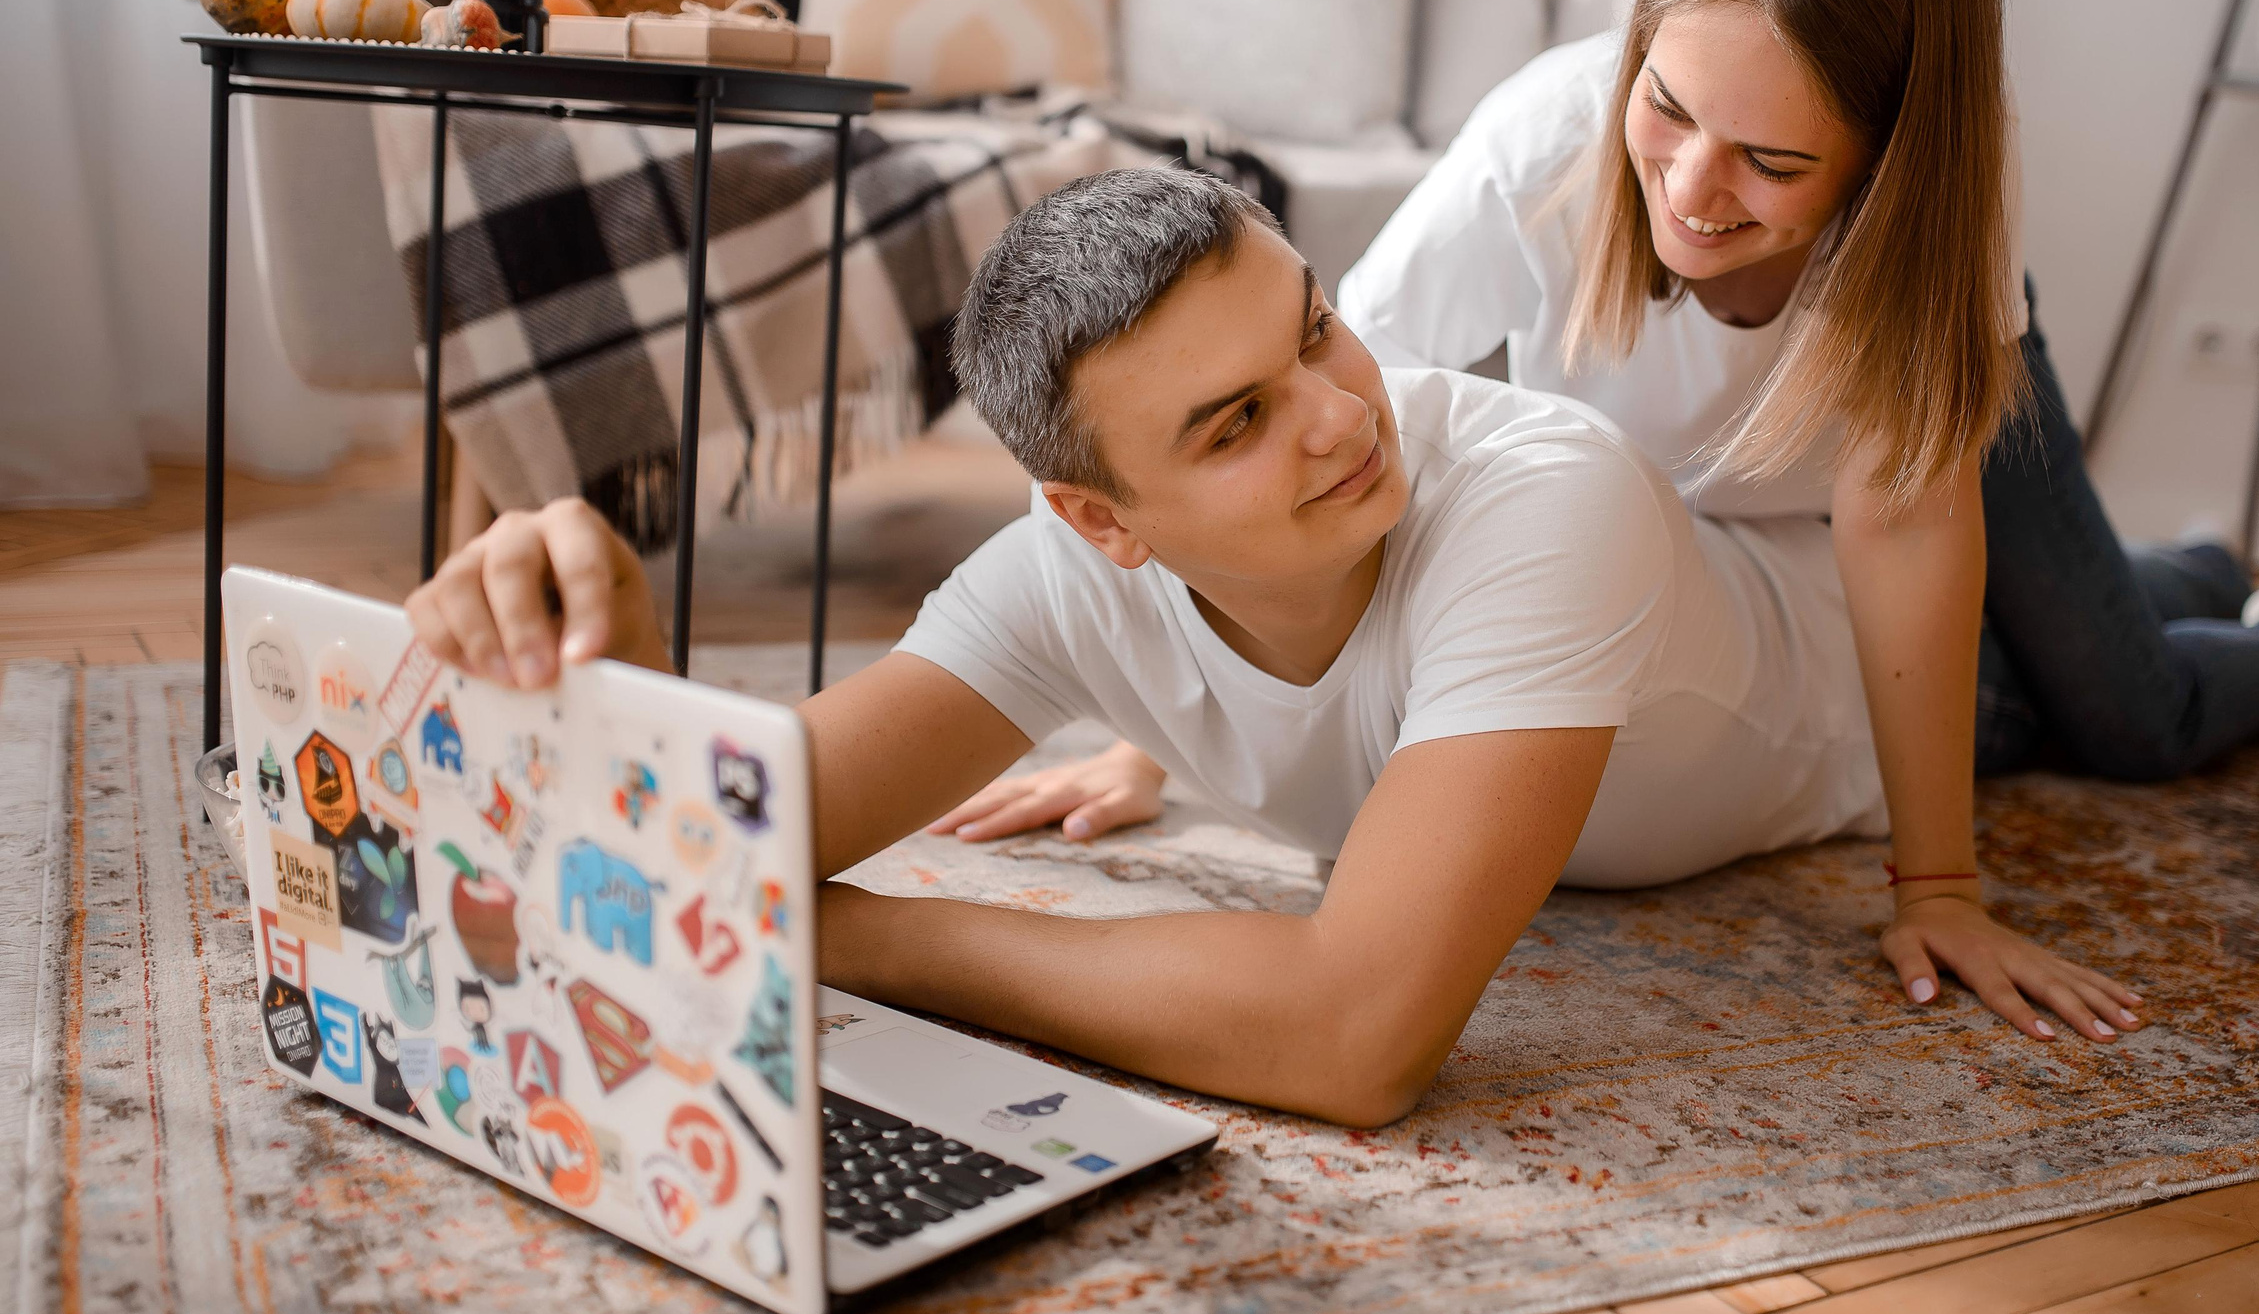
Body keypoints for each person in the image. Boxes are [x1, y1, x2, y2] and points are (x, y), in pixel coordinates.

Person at [958, 0, 2259, 1043]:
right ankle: (2176, 566)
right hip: (1731, 548)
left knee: (2125, 715)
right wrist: (1169, 737)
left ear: (1884, 163)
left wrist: (1938, 883)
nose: (1694, 191)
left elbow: (1901, 523)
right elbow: (1329, 429)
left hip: (1932, 449)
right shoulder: (1545, 143)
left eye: (1773, 162)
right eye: (1668, 106)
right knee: (2039, 658)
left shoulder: (1943, 227)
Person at [403, 168, 2141, 1127]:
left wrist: (858, 937)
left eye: (1318, 330)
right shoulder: (1057, 576)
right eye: (1236, 422)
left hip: (1878, 694)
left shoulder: (1546, 499)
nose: (1335, 421)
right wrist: (613, 669)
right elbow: (734, 821)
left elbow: (1352, 1036)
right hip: (1629, 696)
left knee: (2156, 690)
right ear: (1103, 517)